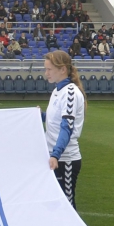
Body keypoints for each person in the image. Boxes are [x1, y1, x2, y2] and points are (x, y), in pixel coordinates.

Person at [42, 50, 86, 206]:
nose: (46, 73)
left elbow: (66, 127)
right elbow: (53, 121)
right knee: (53, 204)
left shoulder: (70, 93)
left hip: (65, 159)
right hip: (55, 157)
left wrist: (56, 154)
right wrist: (37, 115)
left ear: (62, 69)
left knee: (66, 207)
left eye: (49, 69)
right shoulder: (57, 90)